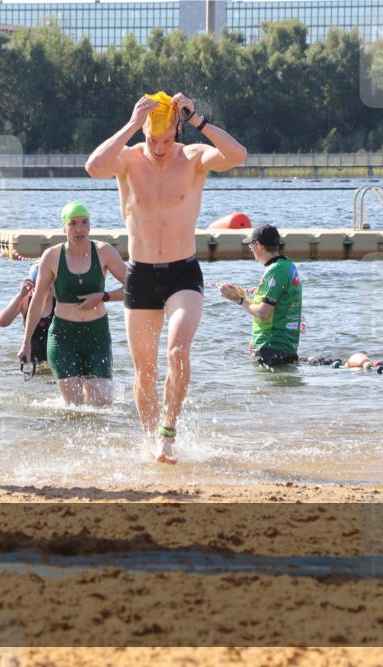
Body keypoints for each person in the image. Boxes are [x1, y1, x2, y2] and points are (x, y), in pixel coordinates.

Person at [85, 90, 247, 462]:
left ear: (177, 129)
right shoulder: (127, 159)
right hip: (140, 275)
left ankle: (167, 434)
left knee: (177, 351)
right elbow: (93, 166)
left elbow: (238, 155)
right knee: (145, 371)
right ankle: (149, 439)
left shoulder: (193, 157)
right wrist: (131, 124)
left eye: (166, 139)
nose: (159, 148)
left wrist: (198, 120)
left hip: (182, 273)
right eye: (151, 139)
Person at [18, 202, 126, 406]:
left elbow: (135, 288)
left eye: (84, 222)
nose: (79, 229)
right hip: (64, 337)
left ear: (90, 225)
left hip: (97, 336)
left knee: (102, 405)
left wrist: (103, 296)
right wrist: (26, 342)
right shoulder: (51, 256)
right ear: (64, 227)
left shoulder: (104, 252)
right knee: (74, 408)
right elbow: (38, 300)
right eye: (73, 223)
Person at [218, 224, 302, 367]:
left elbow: (263, 313)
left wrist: (238, 299)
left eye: (251, 245)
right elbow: (278, 302)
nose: (250, 248)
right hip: (285, 346)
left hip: (271, 347)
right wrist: (243, 294)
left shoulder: (275, 270)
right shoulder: (287, 265)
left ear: (259, 245)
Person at [0, 261, 55, 365]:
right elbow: (2, 322)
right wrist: (20, 296)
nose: (44, 288)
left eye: (48, 282)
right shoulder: (25, 300)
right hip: (31, 359)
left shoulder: (60, 300)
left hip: (54, 358)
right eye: (40, 284)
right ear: (33, 284)